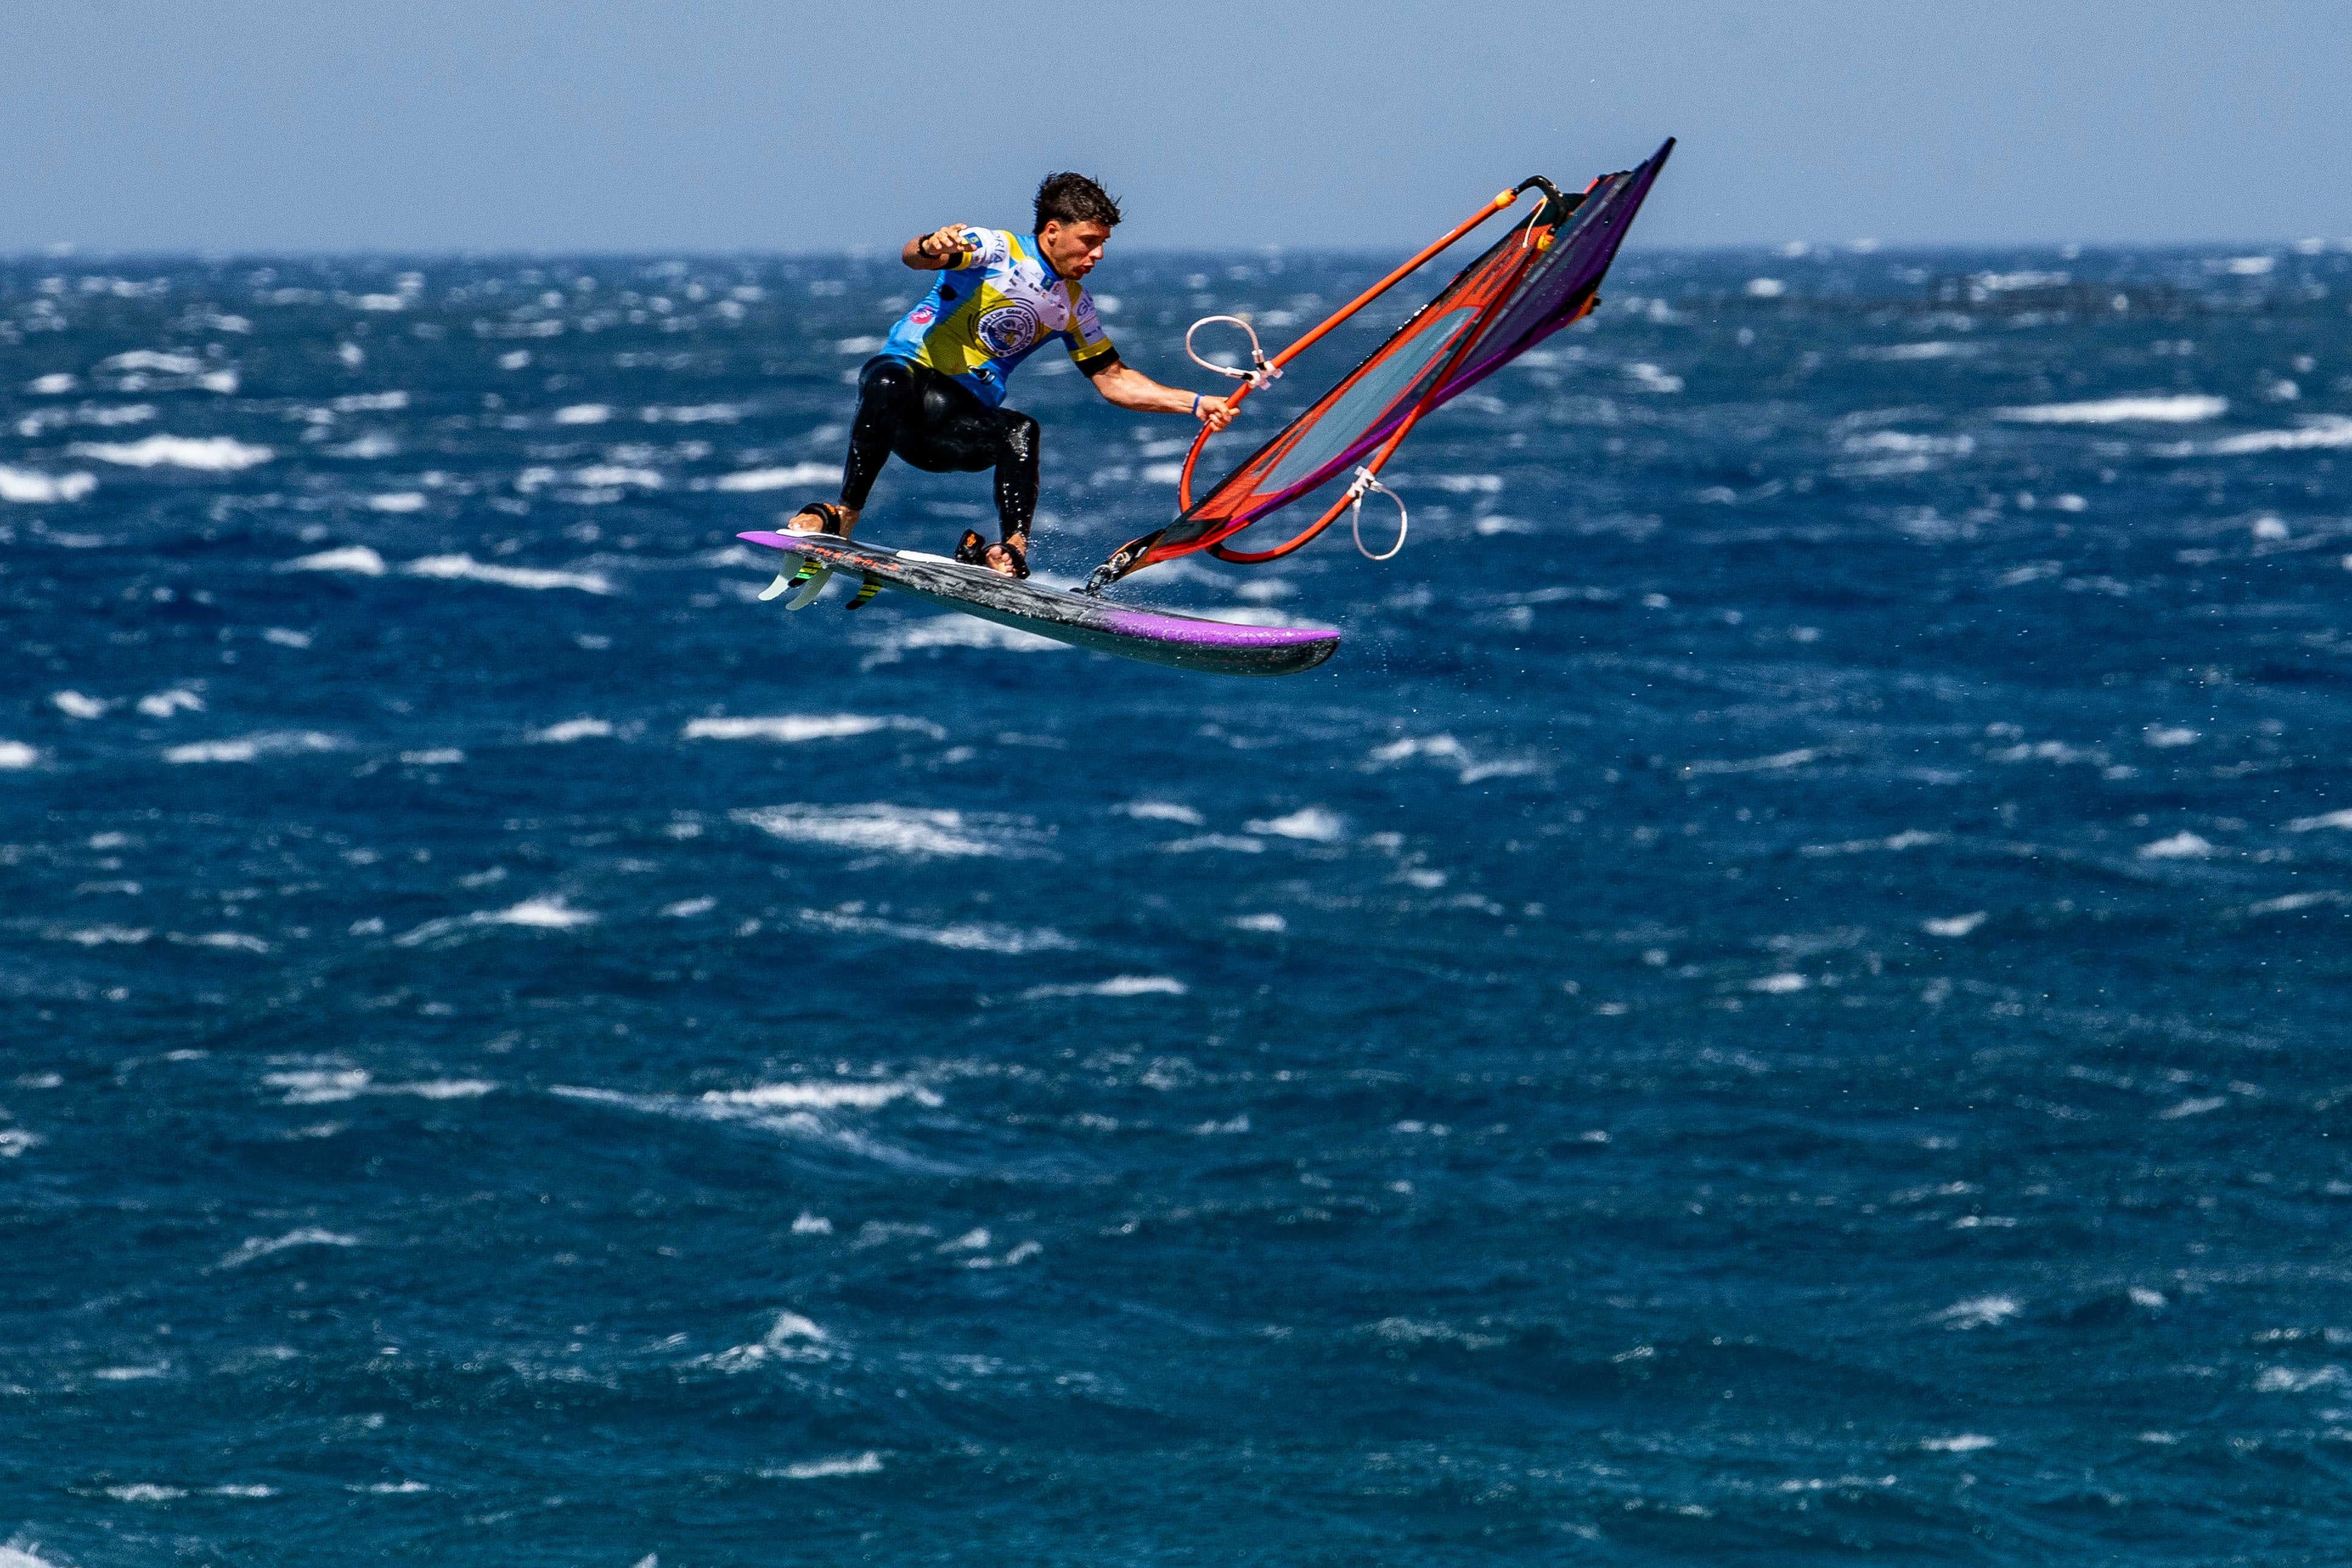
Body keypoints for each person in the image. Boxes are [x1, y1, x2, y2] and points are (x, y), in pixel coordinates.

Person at [785, 172, 1235, 579]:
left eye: (1103, 244)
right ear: (1053, 231)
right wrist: (930, 246)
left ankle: (1010, 552)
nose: (1097, 255)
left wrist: (1195, 403)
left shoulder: (1074, 306)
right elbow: (914, 257)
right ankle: (845, 515)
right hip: (902, 399)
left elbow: (1113, 378)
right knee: (888, 380)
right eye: (1089, 241)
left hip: (952, 430)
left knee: (1020, 430)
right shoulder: (995, 249)